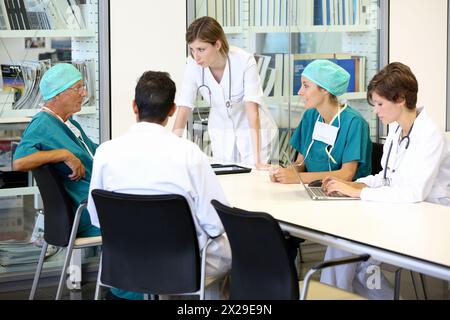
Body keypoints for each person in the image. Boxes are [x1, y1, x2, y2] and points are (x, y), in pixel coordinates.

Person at [87, 71, 232, 300]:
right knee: (232, 245)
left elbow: (96, 218)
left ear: (134, 106)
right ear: (173, 110)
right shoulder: (190, 154)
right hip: (181, 266)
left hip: (125, 262)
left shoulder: (104, 153)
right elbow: (215, 224)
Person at [320, 62, 450, 299]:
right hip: (397, 214)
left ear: (400, 98)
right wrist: (353, 184)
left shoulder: (430, 135)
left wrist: (357, 193)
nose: (376, 111)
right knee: (340, 240)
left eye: (380, 104)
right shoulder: (396, 130)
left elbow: (413, 193)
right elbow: (386, 178)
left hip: (426, 223)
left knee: (351, 254)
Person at [173, 16, 278, 169]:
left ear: (217, 44)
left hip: (253, 137)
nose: (196, 57)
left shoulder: (244, 61)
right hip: (222, 134)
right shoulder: (192, 64)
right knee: (228, 184)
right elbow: (184, 108)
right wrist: (171, 152)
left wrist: (257, 161)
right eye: (192, 49)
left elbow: (252, 110)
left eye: (201, 49)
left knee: (254, 183)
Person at [13, 63, 100, 238]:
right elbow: (19, 162)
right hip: (88, 212)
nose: (84, 93)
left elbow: (96, 154)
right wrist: (63, 154)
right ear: (58, 95)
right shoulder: (42, 124)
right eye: (78, 88)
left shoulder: (69, 124)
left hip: (97, 204)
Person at [270, 59, 372, 185]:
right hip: (313, 188)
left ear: (325, 89)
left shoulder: (354, 123)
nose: (300, 92)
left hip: (345, 195)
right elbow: (300, 164)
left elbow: (346, 174)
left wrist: (298, 178)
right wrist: (283, 173)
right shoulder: (310, 116)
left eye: (306, 85)